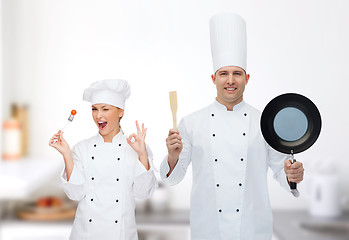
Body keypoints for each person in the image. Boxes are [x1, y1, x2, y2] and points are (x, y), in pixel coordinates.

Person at [160, 13, 304, 240]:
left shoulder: (265, 121)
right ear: (213, 78)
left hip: (253, 228)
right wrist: (172, 157)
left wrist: (291, 175)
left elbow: (280, 169)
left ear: (247, 78)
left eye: (237, 73)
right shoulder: (191, 123)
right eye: (223, 74)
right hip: (208, 229)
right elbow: (173, 178)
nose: (230, 80)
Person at [49, 79, 157, 240]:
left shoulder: (137, 148)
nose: (98, 115)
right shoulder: (81, 149)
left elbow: (143, 193)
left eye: (105, 109)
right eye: (94, 109)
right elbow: (75, 194)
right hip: (85, 234)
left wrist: (142, 155)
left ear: (121, 112)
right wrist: (67, 155)